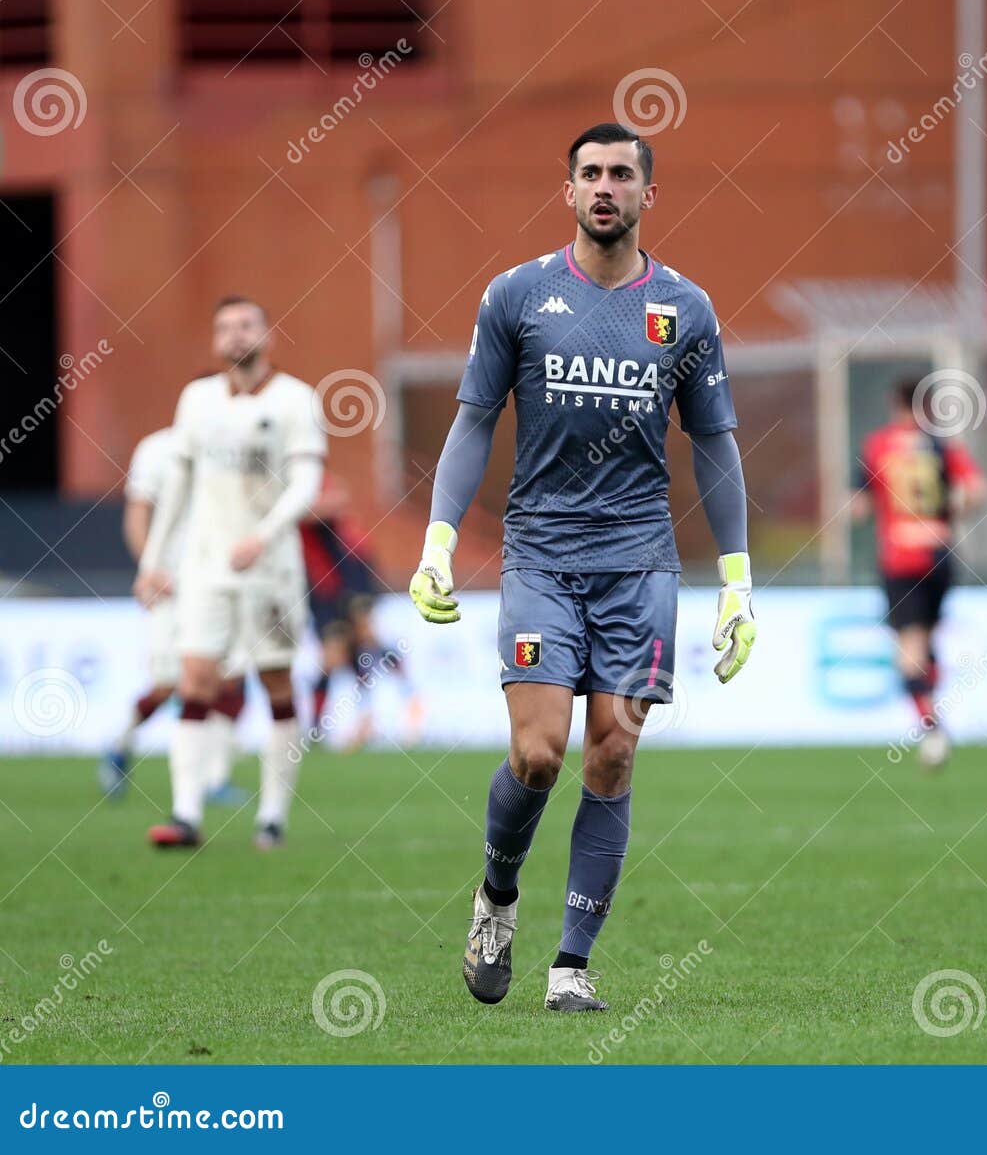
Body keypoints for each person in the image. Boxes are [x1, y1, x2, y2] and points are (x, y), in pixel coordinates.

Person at [409, 122, 755, 1013]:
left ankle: (571, 964)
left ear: (648, 194)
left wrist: (738, 578)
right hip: (541, 556)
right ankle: (497, 895)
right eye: (590, 174)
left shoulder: (685, 309)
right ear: (568, 192)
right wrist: (439, 541)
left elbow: (713, 444)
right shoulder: (517, 296)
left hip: (642, 564)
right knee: (537, 754)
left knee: (613, 750)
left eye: (622, 174)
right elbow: (475, 420)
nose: (605, 186)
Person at [133, 296, 326, 849]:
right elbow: (178, 487)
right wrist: (151, 562)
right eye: (224, 328)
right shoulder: (196, 400)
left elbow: (306, 485)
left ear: (268, 335)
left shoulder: (296, 400)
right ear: (215, 341)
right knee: (194, 678)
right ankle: (187, 814)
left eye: (245, 325)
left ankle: (271, 816)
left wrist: (261, 535)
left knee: (275, 683)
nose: (235, 336)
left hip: (271, 568)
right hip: (205, 567)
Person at [102, 426, 250, 805]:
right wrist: (150, 568)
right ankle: (120, 744)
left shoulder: (237, 443)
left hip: (221, 581)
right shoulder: (157, 449)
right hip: (172, 585)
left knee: (230, 678)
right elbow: (137, 513)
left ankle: (215, 779)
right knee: (172, 683)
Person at [853, 377, 987, 768]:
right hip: (940, 552)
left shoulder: (879, 445)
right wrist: (950, 513)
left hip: (901, 557)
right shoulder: (941, 445)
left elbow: (858, 506)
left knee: (907, 653)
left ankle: (932, 729)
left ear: (893, 402)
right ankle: (934, 717)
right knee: (927, 642)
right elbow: (976, 489)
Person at [301, 476, 422, 747]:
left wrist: (302, 504)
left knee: (366, 639)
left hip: (352, 574)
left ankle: (407, 698)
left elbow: (332, 503)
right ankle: (328, 727)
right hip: (322, 591)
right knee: (336, 655)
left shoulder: (309, 487)